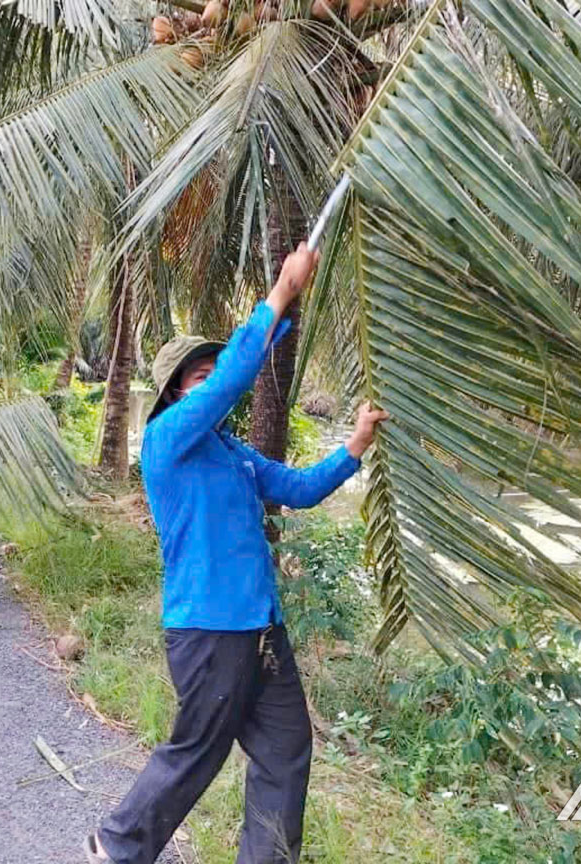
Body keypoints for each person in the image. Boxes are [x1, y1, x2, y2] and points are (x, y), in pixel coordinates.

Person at [84, 245, 389, 864]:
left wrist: (354, 446)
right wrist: (279, 294)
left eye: (213, 370)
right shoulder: (168, 439)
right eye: (200, 376)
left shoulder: (235, 454)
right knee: (199, 748)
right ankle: (117, 847)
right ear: (175, 393)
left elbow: (300, 490)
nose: (213, 381)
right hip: (208, 629)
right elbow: (231, 381)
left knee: (285, 746)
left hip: (261, 630)